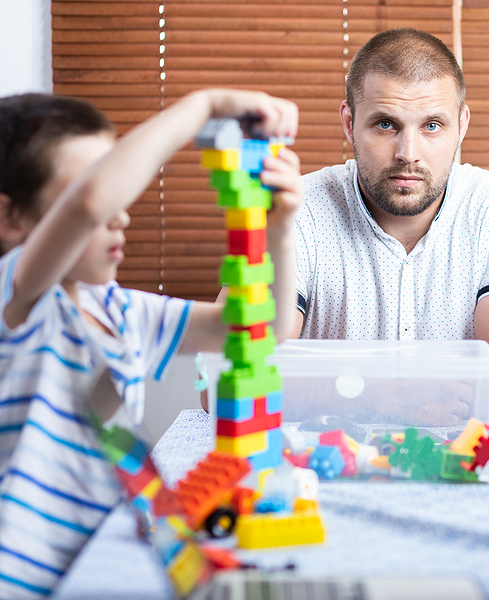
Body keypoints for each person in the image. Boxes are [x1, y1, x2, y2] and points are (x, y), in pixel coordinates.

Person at [0, 88, 301, 598]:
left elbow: (261, 327)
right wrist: (204, 106)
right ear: (11, 219)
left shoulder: (120, 311)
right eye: (90, 189)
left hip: (92, 567)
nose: (120, 214)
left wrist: (280, 231)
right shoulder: (16, 300)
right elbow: (92, 204)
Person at [290, 28, 489, 420]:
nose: (409, 154)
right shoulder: (296, 210)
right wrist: (375, 396)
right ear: (350, 123)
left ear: (462, 124)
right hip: (319, 468)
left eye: (432, 126)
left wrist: (350, 392)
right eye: (386, 124)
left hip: (464, 470)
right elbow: (235, 381)